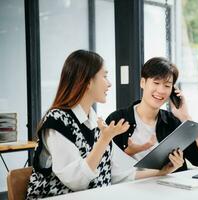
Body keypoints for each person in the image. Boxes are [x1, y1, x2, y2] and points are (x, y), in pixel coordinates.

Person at [26, 50, 184, 199]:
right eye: (104, 76)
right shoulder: (57, 121)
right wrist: (104, 139)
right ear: (88, 81)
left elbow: (122, 172)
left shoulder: (94, 121)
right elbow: (77, 182)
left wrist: (161, 172)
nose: (109, 84)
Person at [106, 57, 198, 171]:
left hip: (170, 187)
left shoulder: (173, 122)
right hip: (133, 187)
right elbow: (107, 166)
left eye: (167, 85)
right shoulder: (117, 120)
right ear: (143, 82)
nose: (161, 90)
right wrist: (128, 153)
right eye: (156, 82)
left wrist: (186, 118)